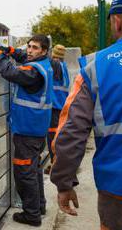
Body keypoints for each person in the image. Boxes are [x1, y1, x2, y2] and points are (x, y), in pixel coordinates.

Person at [50, 0, 122, 230]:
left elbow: (72, 131)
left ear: (116, 22)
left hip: (119, 186)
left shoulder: (95, 66)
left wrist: (64, 182)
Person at [0, 34, 53, 226]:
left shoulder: (33, 72)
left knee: (24, 173)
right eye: (29, 46)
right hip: (36, 129)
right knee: (34, 170)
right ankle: (39, 206)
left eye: (35, 48)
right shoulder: (44, 64)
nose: (29, 50)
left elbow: (10, 72)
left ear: (43, 51)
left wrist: (0, 55)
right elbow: (22, 57)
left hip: (28, 130)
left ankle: (31, 214)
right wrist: (10, 51)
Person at [45, 44, 70, 174]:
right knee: (58, 137)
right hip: (61, 107)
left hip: (54, 107)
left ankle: (55, 165)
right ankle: (57, 163)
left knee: (53, 138)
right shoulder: (63, 66)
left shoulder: (55, 65)